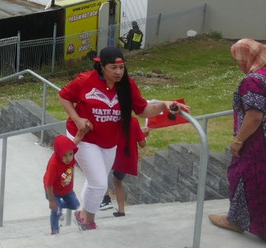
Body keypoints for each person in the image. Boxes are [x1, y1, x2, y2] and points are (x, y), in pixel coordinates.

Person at [59, 46, 183, 230]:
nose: (118, 72)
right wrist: (77, 120)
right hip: (84, 138)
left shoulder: (128, 85)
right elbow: (64, 96)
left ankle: (81, 213)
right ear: (102, 67)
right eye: (113, 68)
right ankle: (87, 220)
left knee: (96, 181)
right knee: (100, 183)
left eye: (122, 68)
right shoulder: (85, 80)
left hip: (110, 142)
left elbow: (143, 110)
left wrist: (164, 104)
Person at [209, 38, 266, 247]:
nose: (238, 63)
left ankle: (243, 224)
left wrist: (238, 141)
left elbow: (254, 116)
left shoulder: (253, 80)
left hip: (262, 148)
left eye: (238, 58)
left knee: (243, 179)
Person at [104, 116, 147, 217]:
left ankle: (105, 199)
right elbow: (142, 144)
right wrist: (144, 135)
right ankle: (121, 210)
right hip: (126, 159)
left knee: (101, 172)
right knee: (117, 181)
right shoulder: (134, 121)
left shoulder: (109, 119)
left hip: (112, 154)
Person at [44, 135, 80, 236]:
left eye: (70, 154)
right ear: (59, 153)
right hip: (53, 191)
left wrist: (82, 132)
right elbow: (49, 184)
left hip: (67, 189)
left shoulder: (71, 156)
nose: (68, 158)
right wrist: (52, 201)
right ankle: (54, 231)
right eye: (64, 155)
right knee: (55, 210)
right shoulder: (54, 164)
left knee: (75, 205)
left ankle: (60, 207)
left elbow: (75, 141)